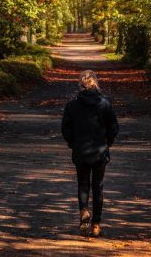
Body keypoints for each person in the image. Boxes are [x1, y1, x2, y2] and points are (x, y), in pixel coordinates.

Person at [61, 70, 119, 237]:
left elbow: (65, 129)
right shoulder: (104, 104)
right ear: (95, 83)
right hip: (100, 152)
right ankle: (96, 224)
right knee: (98, 187)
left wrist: (73, 144)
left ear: (81, 84)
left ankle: (84, 211)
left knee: (83, 184)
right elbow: (114, 127)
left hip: (81, 151)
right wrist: (107, 142)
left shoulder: (72, 105)